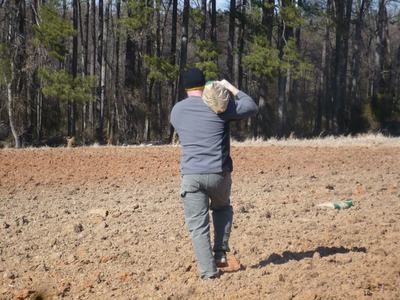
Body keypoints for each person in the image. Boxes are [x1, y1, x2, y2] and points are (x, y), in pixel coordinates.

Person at [170, 68, 258, 279]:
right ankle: (220, 252)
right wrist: (229, 88)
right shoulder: (219, 106)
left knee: (198, 227)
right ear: (204, 84)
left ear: (185, 87)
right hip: (218, 173)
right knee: (222, 208)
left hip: (191, 175)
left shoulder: (176, 111)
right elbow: (251, 107)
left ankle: (209, 273)